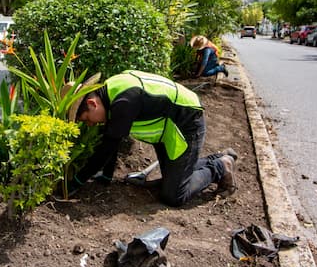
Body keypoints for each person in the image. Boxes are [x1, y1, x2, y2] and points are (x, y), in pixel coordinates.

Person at [66, 70, 237, 207]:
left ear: (92, 104)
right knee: (172, 180)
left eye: (86, 119)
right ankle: (216, 158)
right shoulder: (111, 91)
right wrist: (106, 176)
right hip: (167, 130)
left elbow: (108, 147)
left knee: (174, 195)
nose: (89, 124)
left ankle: (221, 166)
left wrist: (76, 183)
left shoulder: (124, 102)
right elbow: (112, 138)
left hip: (187, 122)